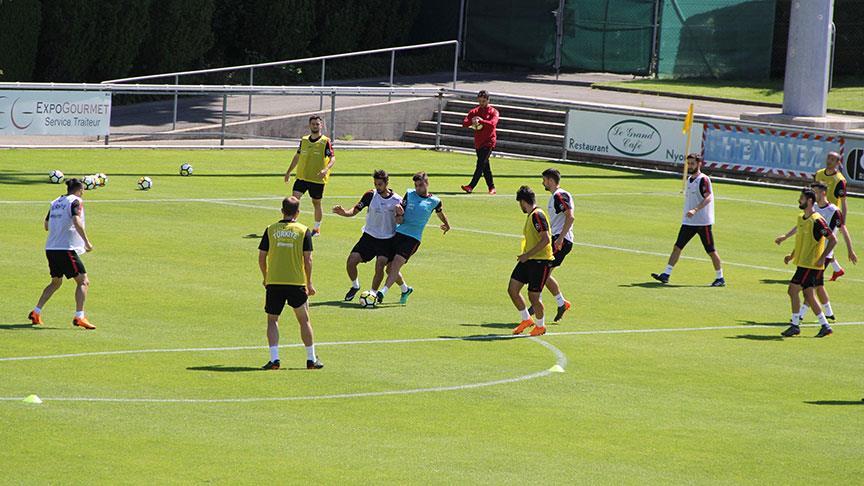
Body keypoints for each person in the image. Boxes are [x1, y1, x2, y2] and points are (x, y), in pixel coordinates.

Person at [775, 182, 857, 324]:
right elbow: (801, 229)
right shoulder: (812, 210)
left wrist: (850, 250)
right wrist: (786, 238)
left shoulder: (833, 211)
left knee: (808, 288)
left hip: (822, 256)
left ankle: (801, 317)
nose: (813, 194)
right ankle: (828, 315)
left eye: (816, 192)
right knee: (817, 286)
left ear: (823, 193)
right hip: (810, 253)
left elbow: (842, 230)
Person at [258, 196, 323, 370]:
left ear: (282, 211)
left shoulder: (270, 229)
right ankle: (311, 359)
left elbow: (262, 257)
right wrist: (309, 283)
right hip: (296, 282)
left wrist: (266, 276)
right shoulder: (303, 230)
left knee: (272, 320)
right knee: (304, 320)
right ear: (298, 212)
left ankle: (274, 359)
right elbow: (308, 259)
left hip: (274, 282)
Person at [332, 169, 410, 302]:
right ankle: (355, 286)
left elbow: (401, 221)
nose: (377, 187)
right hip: (368, 237)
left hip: (386, 240)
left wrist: (400, 214)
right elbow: (355, 210)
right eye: (375, 184)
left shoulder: (397, 200)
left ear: (386, 183)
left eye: (380, 184)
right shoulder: (370, 195)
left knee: (380, 266)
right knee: (351, 261)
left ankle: (372, 294)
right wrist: (344, 212)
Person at [28, 178, 96, 330]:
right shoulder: (75, 201)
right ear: (79, 190)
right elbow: (76, 220)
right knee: (83, 281)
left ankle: (36, 312)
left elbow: (46, 225)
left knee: (56, 282)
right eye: (83, 190)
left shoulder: (55, 202)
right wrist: (86, 242)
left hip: (51, 248)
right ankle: (79, 317)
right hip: (66, 249)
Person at [651, 153, 725, 287]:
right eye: (688, 163)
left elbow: (708, 197)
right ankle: (666, 274)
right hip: (689, 222)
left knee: (711, 251)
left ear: (699, 164)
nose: (690, 166)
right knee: (677, 247)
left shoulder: (704, 179)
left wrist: (695, 210)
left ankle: (720, 278)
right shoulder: (689, 179)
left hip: (702, 223)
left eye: (692, 163)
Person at [376, 172, 450, 304]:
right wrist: (398, 214)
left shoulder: (435, 201)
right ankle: (405, 289)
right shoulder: (409, 194)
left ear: (427, 183)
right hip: (398, 234)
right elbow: (400, 218)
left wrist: (447, 224)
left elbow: (440, 213)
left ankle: (382, 292)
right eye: (416, 185)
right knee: (389, 268)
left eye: (420, 185)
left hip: (413, 239)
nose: (418, 188)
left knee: (396, 264)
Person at [778, 188, 837, 338]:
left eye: (802, 198)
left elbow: (833, 240)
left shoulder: (817, 221)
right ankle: (825, 325)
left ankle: (795, 325)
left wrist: (822, 257)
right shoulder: (801, 218)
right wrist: (792, 256)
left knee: (792, 290)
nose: (799, 200)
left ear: (809, 201)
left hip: (811, 265)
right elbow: (802, 241)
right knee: (809, 294)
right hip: (803, 263)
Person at [527, 168, 573, 322]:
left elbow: (570, 217)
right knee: (544, 274)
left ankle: (536, 305)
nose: (543, 183)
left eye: (544, 180)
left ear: (551, 181)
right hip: (559, 239)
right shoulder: (556, 196)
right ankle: (561, 303)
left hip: (561, 240)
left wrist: (560, 238)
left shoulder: (559, 195)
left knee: (541, 271)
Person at [510, 186, 554, 337]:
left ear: (523, 201)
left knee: (533, 296)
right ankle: (526, 319)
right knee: (513, 289)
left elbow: (546, 239)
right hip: (528, 260)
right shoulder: (531, 216)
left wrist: (527, 255)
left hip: (540, 261)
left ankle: (540, 326)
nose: (520, 206)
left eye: (520, 203)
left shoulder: (537, 215)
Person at [284, 115, 335, 236]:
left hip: (317, 179)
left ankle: (316, 228)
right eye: (313, 124)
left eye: (317, 124)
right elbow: (297, 156)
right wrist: (288, 171)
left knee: (316, 203)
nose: (315, 126)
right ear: (309, 125)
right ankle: (291, 224)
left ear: (321, 125)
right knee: (294, 201)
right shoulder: (304, 140)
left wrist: (325, 169)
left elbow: (332, 158)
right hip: (302, 177)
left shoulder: (325, 141)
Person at [814, 151, 849, 280]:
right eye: (828, 158)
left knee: (826, 243)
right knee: (821, 242)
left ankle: (817, 274)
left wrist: (842, 222)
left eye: (833, 159)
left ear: (838, 163)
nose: (829, 161)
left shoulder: (840, 180)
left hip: (831, 216)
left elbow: (843, 202)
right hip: (817, 212)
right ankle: (837, 270)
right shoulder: (819, 174)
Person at [460, 90, 499, 195]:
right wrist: (471, 121)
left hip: (489, 142)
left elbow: (493, 124)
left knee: (480, 164)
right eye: (480, 101)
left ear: (488, 100)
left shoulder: (494, 112)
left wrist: (481, 121)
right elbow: (464, 123)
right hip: (478, 142)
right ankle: (492, 187)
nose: (481, 103)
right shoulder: (474, 111)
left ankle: (470, 186)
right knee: (485, 166)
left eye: (483, 101)